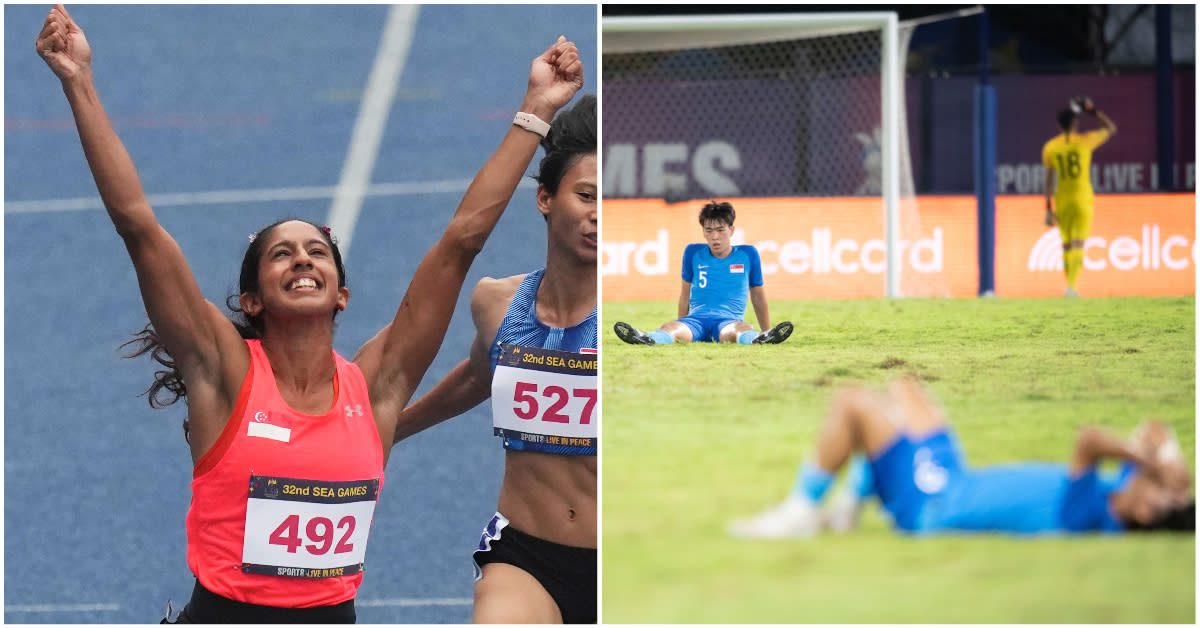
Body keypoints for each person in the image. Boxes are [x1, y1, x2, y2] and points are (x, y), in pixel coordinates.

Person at [37, 4, 584, 622]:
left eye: (317, 252)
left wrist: (537, 108)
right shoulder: (223, 373)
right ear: (252, 299)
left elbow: (460, 243)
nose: (302, 259)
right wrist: (77, 80)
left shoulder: (377, 388)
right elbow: (139, 227)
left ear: (341, 293)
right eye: (281, 254)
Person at [393, 92, 596, 623]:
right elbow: (482, 376)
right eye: (587, 195)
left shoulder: (638, 322)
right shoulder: (497, 304)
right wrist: (387, 430)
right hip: (528, 559)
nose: (601, 215)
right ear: (546, 199)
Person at [729, 376, 1193, 538]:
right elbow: (1154, 430)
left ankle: (799, 512)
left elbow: (1089, 440)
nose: (1145, 477)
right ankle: (849, 509)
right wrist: (1171, 465)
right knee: (905, 388)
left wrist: (1155, 467)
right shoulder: (1121, 492)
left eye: (1154, 487)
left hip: (932, 505)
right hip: (955, 476)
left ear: (1147, 510)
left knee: (854, 403)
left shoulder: (1091, 515)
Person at [612, 200, 793, 346]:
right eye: (709, 231)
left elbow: (758, 297)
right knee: (668, 328)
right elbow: (684, 294)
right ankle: (647, 338)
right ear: (703, 232)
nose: (715, 236)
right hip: (695, 322)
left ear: (731, 230)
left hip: (727, 323)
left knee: (742, 329)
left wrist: (767, 330)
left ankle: (760, 338)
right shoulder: (692, 252)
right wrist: (681, 322)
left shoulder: (748, 254)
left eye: (720, 230)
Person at [1042, 96, 1118, 298]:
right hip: (1083, 197)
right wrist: (1092, 111)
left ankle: (1069, 287)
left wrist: (1048, 208)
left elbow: (1049, 181)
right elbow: (1111, 128)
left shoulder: (1050, 147)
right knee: (1078, 243)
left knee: (1067, 244)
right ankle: (1072, 287)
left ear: (1058, 125)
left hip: (1062, 199)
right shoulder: (1085, 141)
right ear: (1075, 123)